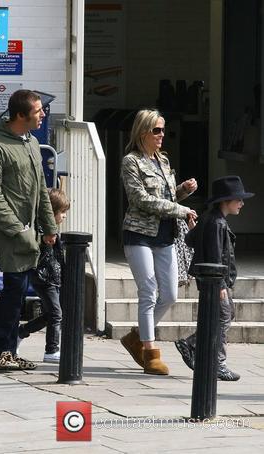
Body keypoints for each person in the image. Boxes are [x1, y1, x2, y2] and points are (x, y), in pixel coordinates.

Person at [0, 89, 58, 370]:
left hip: (33, 232)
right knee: (14, 289)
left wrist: (49, 228)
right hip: (12, 233)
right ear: (21, 115)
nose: (43, 114)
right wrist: (18, 230)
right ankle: (0, 350)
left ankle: (8, 351)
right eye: (38, 111)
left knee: (18, 292)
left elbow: (41, 189)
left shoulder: (32, 143)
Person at [120, 108, 198, 375]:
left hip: (165, 236)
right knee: (149, 292)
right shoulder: (131, 161)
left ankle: (136, 337)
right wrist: (181, 210)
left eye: (163, 129)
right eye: (157, 130)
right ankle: (150, 354)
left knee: (171, 294)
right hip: (139, 235)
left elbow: (167, 200)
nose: (162, 135)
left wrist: (182, 193)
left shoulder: (162, 161)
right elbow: (141, 200)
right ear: (143, 132)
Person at [175, 175, 254, 381]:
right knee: (223, 317)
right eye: (238, 199)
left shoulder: (210, 218)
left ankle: (194, 345)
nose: (242, 203)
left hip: (215, 281)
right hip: (215, 281)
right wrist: (219, 284)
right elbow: (214, 256)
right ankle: (216, 362)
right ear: (225, 201)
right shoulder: (217, 222)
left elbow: (191, 240)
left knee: (223, 316)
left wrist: (195, 229)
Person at [17, 188, 70, 363]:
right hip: (44, 278)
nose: (64, 216)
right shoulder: (43, 230)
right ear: (50, 211)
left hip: (52, 278)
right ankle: (51, 351)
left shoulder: (52, 230)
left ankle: (21, 332)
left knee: (50, 315)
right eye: (61, 212)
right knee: (56, 313)